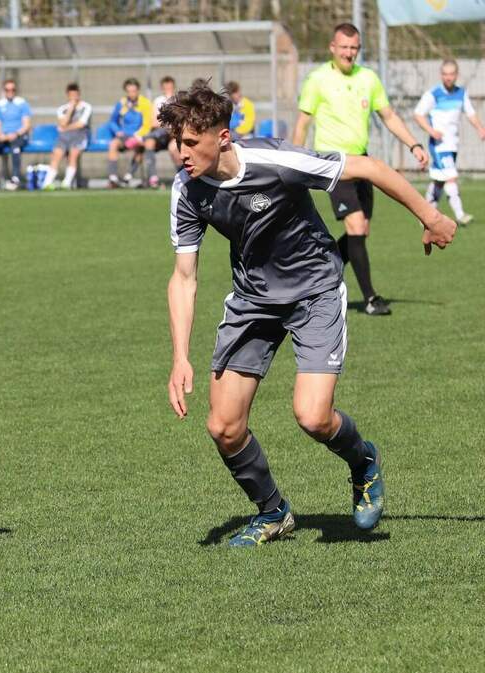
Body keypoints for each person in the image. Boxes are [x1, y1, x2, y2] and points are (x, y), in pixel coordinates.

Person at [162, 85, 455, 547]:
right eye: (176, 142)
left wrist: (430, 216)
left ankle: (363, 461)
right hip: (254, 301)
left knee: (313, 417)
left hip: (314, 290)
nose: (180, 153)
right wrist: (180, 357)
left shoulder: (277, 162)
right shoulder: (187, 190)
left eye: (190, 142)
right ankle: (273, 512)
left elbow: (370, 168)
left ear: (223, 137)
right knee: (223, 427)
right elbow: (184, 278)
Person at [293, 23, 429, 317]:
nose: (349, 53)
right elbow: (302, 123)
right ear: (332, 47)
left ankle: (315, 274)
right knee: (355, 225)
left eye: (354, 48)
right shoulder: (317, 79)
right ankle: (370, 298)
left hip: (364, 164)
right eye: (344, 47)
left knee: (360, 231)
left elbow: (389, 116)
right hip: (334, 164)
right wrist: (294, 165)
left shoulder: (368, 78)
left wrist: (414, 144)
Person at [413, 59, 485, 226]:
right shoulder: (433, 94)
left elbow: (471, 113)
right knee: (451, 177)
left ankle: (425, 216)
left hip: (452, 144)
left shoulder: (461, 93)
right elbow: (418, 114)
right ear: (441, 75)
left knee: (439, 181)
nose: (448, 77)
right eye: (445, 74)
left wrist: (480, 128)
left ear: (456, 75)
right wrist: (431, 131)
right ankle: (460, 215)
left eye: (451, 74)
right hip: (439, 146)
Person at [0, 79, 32, 191]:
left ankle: (15, 179)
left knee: (15, 148)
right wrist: (0, 135)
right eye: (7, 90)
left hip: (19, 135)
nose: (10, 92)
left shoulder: (22, 103)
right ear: (4, 91)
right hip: (4, 136)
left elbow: (26, 125)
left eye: (12, 89)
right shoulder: (0, 104)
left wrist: (16, 133)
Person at [41, 82, 92, 190]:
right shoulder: (62, 109)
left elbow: (81, 124)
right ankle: (47, 183)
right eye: (71, 95)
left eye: (75, 95)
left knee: (73, 154)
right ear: (68, 95)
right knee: (56, 154)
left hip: (80, 135)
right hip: (64, 136)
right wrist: (71, 109)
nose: (74, 97)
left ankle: (67, 183)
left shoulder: (86, 107)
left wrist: (65, 128)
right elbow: (63, 123)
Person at [107, 77, 154, 188]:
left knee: (141, 148)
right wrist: (117, 131)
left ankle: (128, 177)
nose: (132, 94)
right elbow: (112, 121)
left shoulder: (145, 103)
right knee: (113, 144)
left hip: (138, 136)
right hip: (124, 136)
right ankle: (113, 178)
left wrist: (137, 136)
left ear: (138, 90)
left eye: (134, 91)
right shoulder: (121, 103)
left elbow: (147, 125)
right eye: (129, 91)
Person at [143, 76, 182, 188]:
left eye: (170, 87)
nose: (168, 89)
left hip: (174, 134)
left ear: (174, 87)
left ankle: (182, 179)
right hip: (161, 133)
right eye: (166, 87)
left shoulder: (178, 100)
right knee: (148, 142)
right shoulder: (158, 101)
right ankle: (153, 179)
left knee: (174, 149)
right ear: (162, 88)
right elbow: (154, 122)